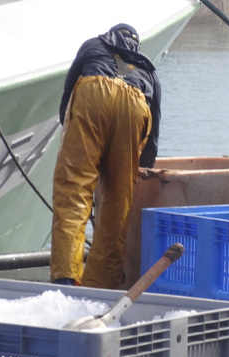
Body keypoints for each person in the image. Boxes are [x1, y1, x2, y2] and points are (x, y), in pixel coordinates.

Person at [50, 23, 161, 288]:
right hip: (135, 107)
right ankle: (101, 288)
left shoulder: (92, 45)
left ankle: (66, 280)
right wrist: (140, 168)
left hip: (92, 97)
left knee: (73, 194)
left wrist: (73, 136)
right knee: (116, 207)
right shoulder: (148, 70)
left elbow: (68, 98)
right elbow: (153, 131)